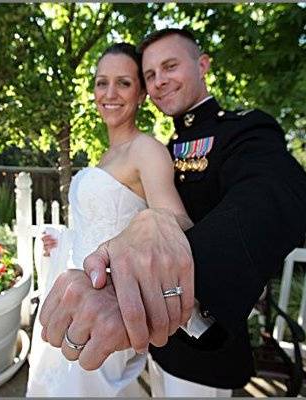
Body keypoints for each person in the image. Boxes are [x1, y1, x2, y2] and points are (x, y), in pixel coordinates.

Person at [39, 28, 306, 397]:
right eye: (151, 74)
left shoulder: (242, 130)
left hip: (203, 342)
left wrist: (173, 265)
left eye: (170, 66)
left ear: (202, 65)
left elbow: (272, 194)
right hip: (152, 336)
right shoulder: (169, 146)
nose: (160, 81)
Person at [26, 42, 195, 397]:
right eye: (102, 83)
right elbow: (93, 224)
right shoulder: (104, 155)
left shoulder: (145, 149)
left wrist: (154, 225)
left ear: (141, 94)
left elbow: (174, 220)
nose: (110, 93)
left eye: (123, 83)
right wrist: (61, 239)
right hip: (73, 290)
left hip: (109, 300)